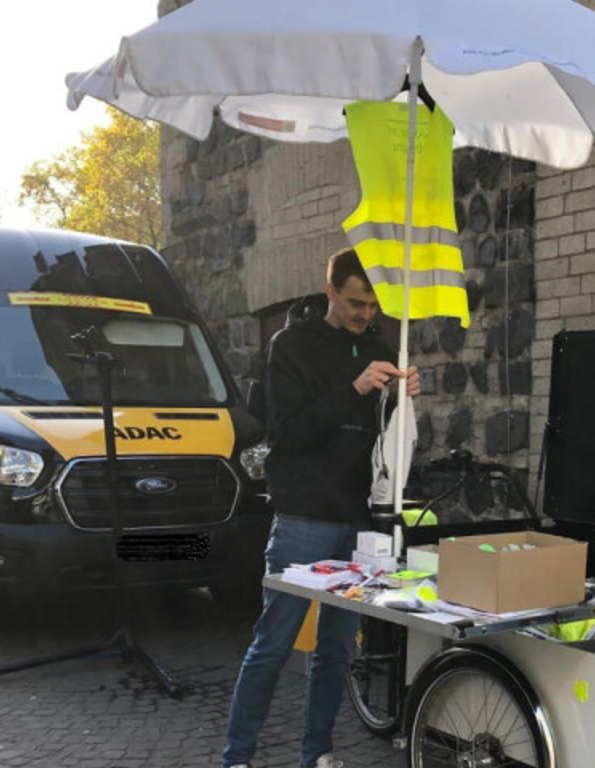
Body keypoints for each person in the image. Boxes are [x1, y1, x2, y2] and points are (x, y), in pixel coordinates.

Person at [222, 247, 420, 768]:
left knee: (336, 652)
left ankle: (318, 755)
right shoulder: (291, 345)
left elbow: (382, 441)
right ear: (330, 291)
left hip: (360, 521)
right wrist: (353, 389)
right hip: (304, 516)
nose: (366, 314)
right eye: (356, 302)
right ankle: (236, 758)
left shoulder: (380, 346)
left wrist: (403, 399)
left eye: (374, 305)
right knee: (274, 645)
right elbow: (285, 434)